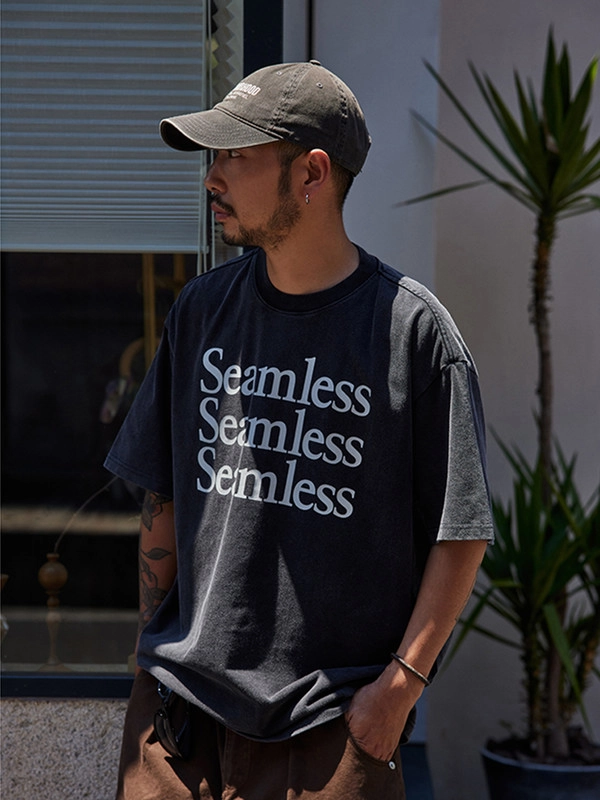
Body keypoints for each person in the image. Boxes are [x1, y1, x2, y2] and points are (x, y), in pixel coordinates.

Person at [105, 60, 494, 800]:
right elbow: (162, 495)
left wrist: (398, 691)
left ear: (311, 174)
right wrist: (149, 658)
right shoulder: (201, 311)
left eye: (235, 157)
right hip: (180, 726)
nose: (212, 177)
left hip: (330, 733)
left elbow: (461, 532)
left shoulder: (413, 335)